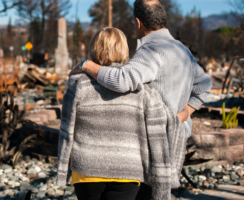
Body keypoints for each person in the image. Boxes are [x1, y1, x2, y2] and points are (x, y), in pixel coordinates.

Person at [70, 1, 212, 198]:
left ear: (138, 22)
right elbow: (204, 85)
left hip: (153, 142)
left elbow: (121, 80)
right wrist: (185, 113)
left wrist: (86, 65)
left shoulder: (150, 51)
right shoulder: (182, 50)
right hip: (176, 137)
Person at [56, 27, 186, 200]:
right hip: (128, 170)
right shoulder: (142, 87)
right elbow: (160, 124)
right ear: (124, 49)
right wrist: (187, 111)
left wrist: (63, 168)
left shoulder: (77, 82)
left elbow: (67, 128)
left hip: (86, 168)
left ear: (93, 49)